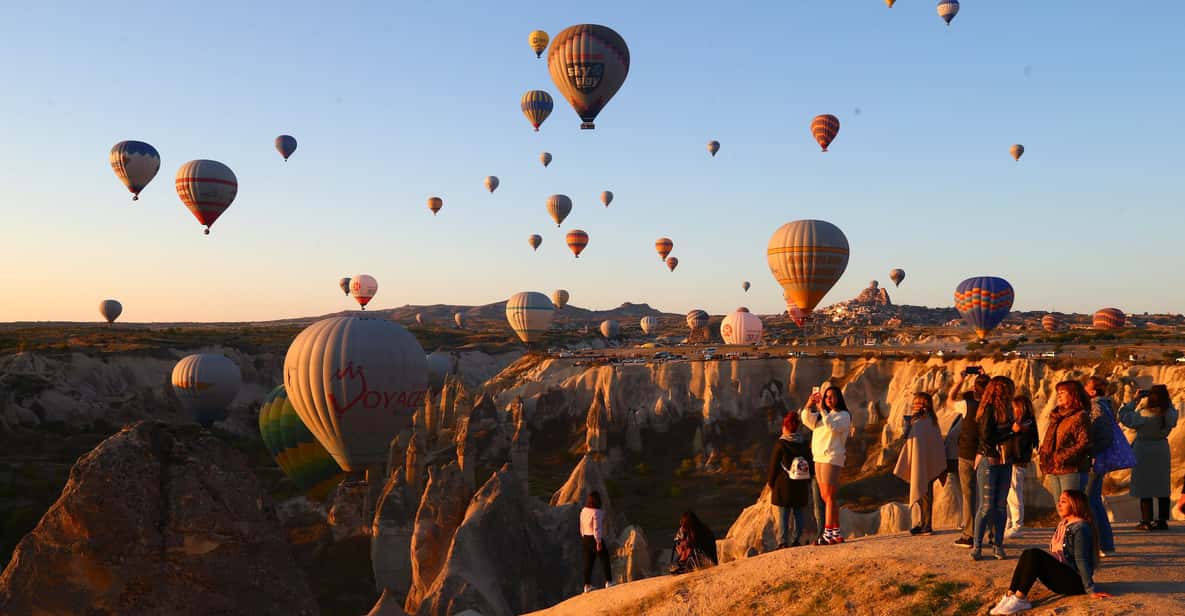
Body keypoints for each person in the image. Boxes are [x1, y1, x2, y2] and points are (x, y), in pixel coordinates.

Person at [987, 490, 1110, 615]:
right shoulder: (1063, 524)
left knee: (1035, 554)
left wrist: (1090, 589)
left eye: (1063, 502)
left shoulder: (1080, 528)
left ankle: (1020, 599)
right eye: (1059, 501)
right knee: (1027, 553)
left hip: (1076, 582)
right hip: (1062, 575)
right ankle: (1010, 595)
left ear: (1075, 504)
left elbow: (1081, 559)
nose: (1059, 505)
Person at [1118, 385, 1178, 531]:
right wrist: (1166, 401)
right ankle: (1162, 521)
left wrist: (1136, 399)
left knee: (1145, 486)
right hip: (1162, 450)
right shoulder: (1170, 414)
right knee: (1162, 486)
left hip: (1143, 450)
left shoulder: (1143, 414)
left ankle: (1146, 522)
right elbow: (1171, 410)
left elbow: (1123, 414)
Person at [972, 376, 1018, 561]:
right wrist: (1011, 431)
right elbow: (987, 437)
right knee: (986, 506)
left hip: (1004, 461)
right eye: (1006, 389)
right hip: (990, 461)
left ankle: (997, 544)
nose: (1008, 393)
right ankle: (977, 546)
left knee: (1000, 506)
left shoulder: (1008, 410)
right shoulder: (989, 410)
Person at [801, 385, 852, 545]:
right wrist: (809, 405)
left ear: (839, 399)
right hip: (819, 457)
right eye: (827, 396)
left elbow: (833, 427)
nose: (829, 399)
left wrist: (822, 410)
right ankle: (836, 533)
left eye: (832, 397)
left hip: (832, 457)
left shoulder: (844, 415)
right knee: (826, 497)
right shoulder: (822, 417)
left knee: (829, 496)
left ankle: (827, 534)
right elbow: (806, 420)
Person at [894, 392, 947, 535]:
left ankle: (927, 525)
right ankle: (922, 522)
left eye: (919, 403)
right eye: (915, 403)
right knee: (922, 494)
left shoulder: (926, 422)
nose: (916, 406)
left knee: (925, 494)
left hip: (925, 463)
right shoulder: (918, 421)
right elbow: (909, 438)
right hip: (921, 462)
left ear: (926, 406)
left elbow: (931, 444)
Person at [948, 370, 990, 548]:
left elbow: (949, 401)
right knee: (986, 495)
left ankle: (969, 534)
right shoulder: (993, 405)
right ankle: (989, 533)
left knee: (969, 494)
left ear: (974, 388)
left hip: (967, 453)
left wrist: (958, 382)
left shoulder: (968, 405)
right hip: (987, 454)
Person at [766, 411, 813, 548]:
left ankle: (782, 542)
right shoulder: (804, 443)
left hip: (784, 485)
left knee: (784, 515)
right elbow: (810, 462)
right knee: (799, 513)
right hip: (800, 484)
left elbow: (774, 466)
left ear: (785, 427)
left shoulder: (781, 444)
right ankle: (797, 539)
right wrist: (808, 481)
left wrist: (771, 482)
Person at [1039, 381, 1091, 499]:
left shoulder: (1080, 416)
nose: (1059, 395)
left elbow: (1084, 442)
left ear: (1073, 395)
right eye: (1058, 393)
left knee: (1073, 508)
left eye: (1062, 392)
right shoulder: (1057, 416)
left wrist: (1061, 456)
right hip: (1054, 468)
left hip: (1072, 469)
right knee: (1061, 508)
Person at [1082, 376, 1117, 554]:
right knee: (1094, 501)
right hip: (1098, 458)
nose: (1083, 390)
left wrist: (1090, 452)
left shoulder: (1095, 407)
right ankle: (1106, 544)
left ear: (1093, 391)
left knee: (1089, 502)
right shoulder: (1105, 405)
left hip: (1093, 459)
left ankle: (1099, 544)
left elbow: (1100, 435)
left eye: (1086, 387)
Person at [1004, 395, 1039, 540]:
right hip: (1012, 461)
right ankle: (1009, 523)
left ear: (1021, 408)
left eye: (1014, 407)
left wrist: (1014, 430)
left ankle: (1017, 526)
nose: (1012, 410)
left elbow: (1018, 442)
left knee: (1014, 494)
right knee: (1008, 495)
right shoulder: (1022, 423)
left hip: (1016, 462)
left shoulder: (1027, 423)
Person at [579, 491, 612, 592]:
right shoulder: (597, 512)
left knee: (588, 563)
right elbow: (597, 528)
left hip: (585, 538)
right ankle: (609, 582)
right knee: (605, 559)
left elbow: (581, 525)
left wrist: (584, 536)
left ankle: (587, 586)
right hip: (594, 538)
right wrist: (598, 542)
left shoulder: (583, 510)